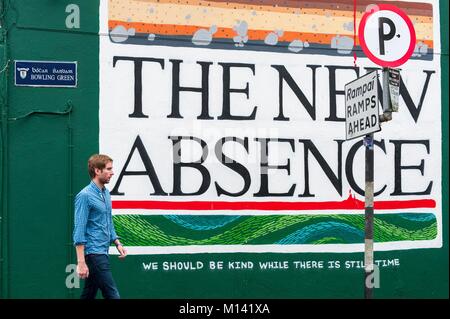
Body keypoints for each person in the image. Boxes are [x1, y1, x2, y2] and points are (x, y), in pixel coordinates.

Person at [73, 154, 127, 299]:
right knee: (112, 295)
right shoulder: (84, 196)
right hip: (94, 253)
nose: (112, 172)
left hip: (103, 251)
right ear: (97, 171)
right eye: (108, 169)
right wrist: (81, 262)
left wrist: (117, 242)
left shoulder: (106, 194)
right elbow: (79, 229)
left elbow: (107, 221)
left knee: (88, 294)